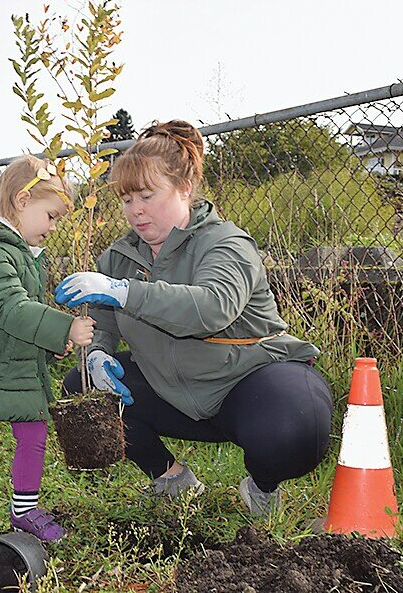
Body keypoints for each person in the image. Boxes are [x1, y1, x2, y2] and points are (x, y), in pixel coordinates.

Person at [56, 120, 333, 516]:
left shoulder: (225, 243)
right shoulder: (118, 257)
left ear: (184, 189)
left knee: (297, 423)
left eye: (148, 196)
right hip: (170, 393)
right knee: (80, 385)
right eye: (127, 199)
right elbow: (103, 326)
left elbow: (212, 307)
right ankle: (171, 479)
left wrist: (125, 291)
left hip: (246, 385)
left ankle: (262, 485)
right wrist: (98, 355)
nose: (135, 211)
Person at [0, 155, 95, 545]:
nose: (54, 227)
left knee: (34, 433)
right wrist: (65, 327)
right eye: (51, 216)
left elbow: (23, 321)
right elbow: (11, 309)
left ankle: (24, 510)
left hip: (17, 366)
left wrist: (50, 345)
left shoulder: (23, 254)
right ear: (23, 202)